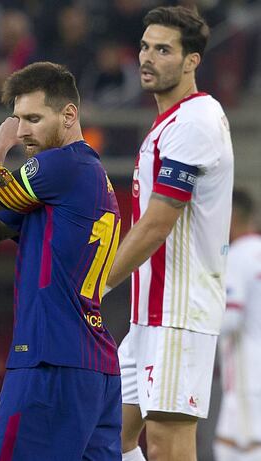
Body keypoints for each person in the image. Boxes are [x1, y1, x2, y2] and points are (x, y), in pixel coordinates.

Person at [0, 62, 122, 460]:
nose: (21, 131)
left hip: (50, 361)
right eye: (16, 121)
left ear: (69, 115)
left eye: (32, 118)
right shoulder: (76, 177)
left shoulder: (59, 165)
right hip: (96, 368)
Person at [104, 6, 234, 461]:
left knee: (167, 446)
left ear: (192, 60)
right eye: (144, 46)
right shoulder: (171, 121)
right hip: (147, 319)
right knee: (107, 439)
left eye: (163, 49)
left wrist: (98, 283)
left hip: (179, 314)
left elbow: (160, 221)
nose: (148, 57)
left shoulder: (196, 122)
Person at [214, 189, 261, 461]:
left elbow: (229, 320)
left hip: (248, 378)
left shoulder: (239, 256)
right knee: (230, 448)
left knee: (243, 452)